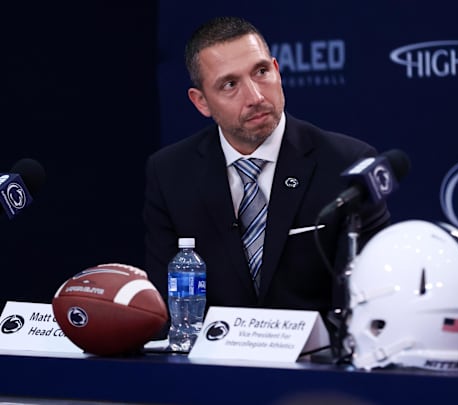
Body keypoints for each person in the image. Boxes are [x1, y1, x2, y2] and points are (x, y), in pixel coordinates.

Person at [143, 16, 390, 333]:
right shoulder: (170, 172)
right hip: (211, 370)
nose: (256, 97)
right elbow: (166, 308)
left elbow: (366, 304)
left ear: (277, 69)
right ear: (201, 101)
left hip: (318, 370)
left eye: (261, 72)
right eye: (230, 84)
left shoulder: (348, 165)